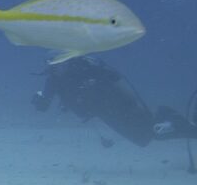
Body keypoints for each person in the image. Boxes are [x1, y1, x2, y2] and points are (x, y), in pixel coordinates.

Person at [30, 55, 197, 148]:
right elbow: (43, 106)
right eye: (52, 64)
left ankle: (177, 121)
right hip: (103, 114)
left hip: (119, 104)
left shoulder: (84, 67)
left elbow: (115, 78)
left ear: (67, 60)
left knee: (151, 131)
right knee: (145, 136)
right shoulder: (53, 80)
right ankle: (178, 123)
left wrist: (96, 78)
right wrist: (38, 100)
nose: (55, 68)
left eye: (59, 63)